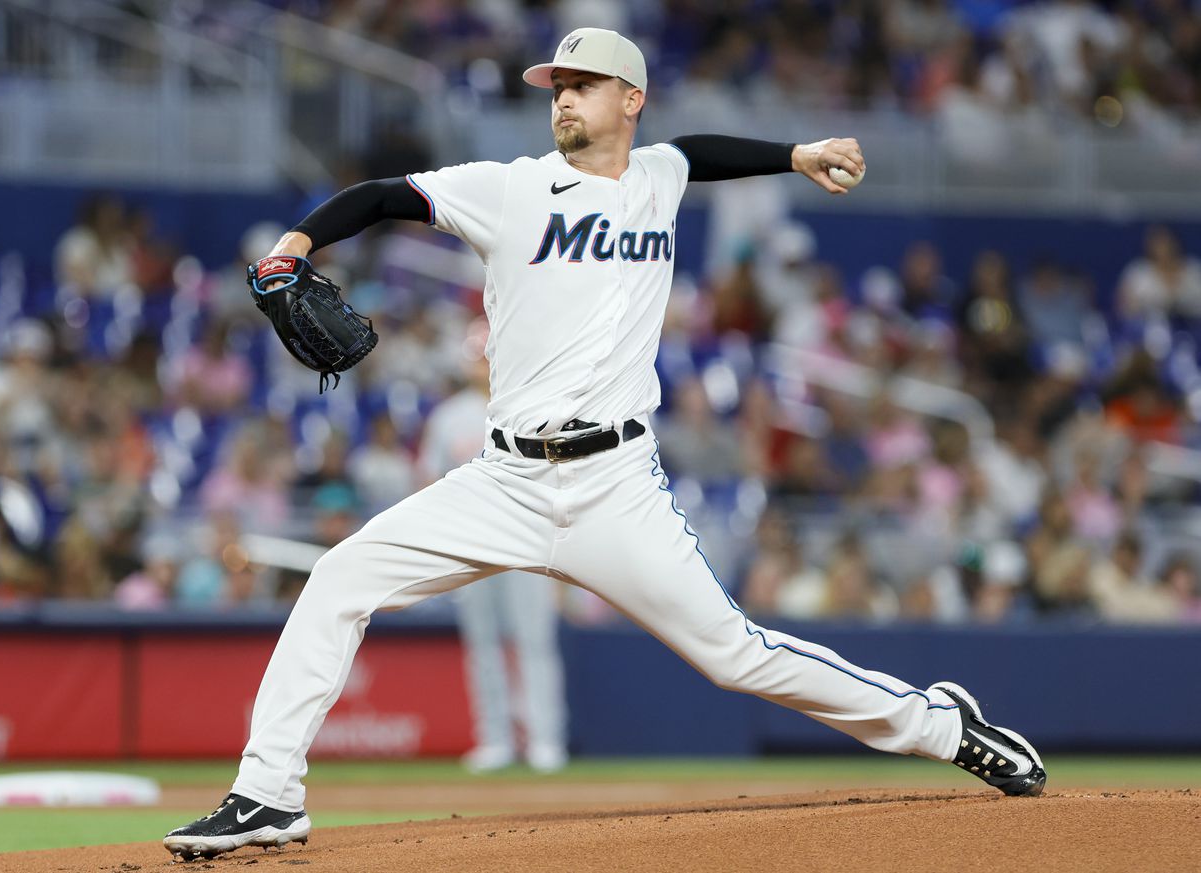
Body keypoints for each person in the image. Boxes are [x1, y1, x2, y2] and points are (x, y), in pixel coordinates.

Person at [164, 28, 1046, 861]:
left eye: (581, 86)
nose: (562, 99)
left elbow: (699, 152)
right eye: (556, 87)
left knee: (735, 654)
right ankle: (268, 791)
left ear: (631, 99)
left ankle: (942, 725)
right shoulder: (510, 187)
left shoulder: (658, 172)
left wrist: (794, 154)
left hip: (616, 485)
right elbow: (387, 195)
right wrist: (296, 241)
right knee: (339, 577)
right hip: (504, 479)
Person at [419, 319, 569, 774]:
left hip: (528, 542)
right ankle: (495, 739)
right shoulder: (449, 416)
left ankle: (545, 739)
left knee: (534, 642)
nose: (480, 365)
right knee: (483, 644)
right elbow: (429, 482)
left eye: (485, 356)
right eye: (475, 357)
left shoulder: (532, 405)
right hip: (474, 543)